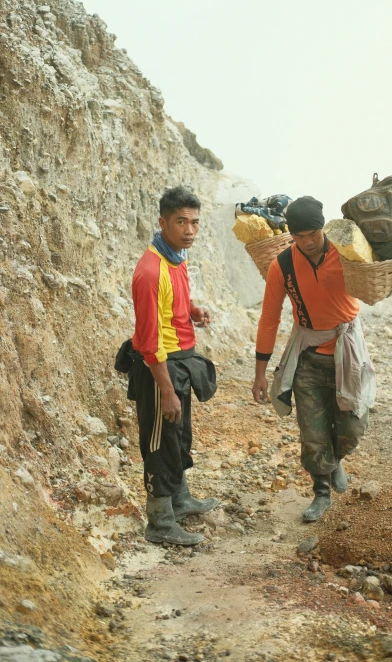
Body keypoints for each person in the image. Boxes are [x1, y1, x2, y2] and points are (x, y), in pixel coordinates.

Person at [252, 196, 376, 522]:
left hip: (345, 353)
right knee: (312, 432)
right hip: (307, 357)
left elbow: (376, 275)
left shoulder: (345, 254)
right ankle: (321, 492)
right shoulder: (283, 266)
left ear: (323, 228)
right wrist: (260, 373)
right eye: (299, 236)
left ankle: (336, 460)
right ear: (290, 235)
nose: (307, 242)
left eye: (313, 234)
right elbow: (268, 319)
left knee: (353, 424)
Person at [129, 186, 219, 546]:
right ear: (162, 221)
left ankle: (180, 502)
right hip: (159, 369)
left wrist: (191, 311)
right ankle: (160, 523)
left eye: (195, 222)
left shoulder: (176, 258)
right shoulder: (151, 271)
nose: (190, 230)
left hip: (181, 362)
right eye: (181, 222)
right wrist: (166, 391)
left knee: (179, 437)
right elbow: (150, 343)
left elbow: (172, 308)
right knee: (160, 443)